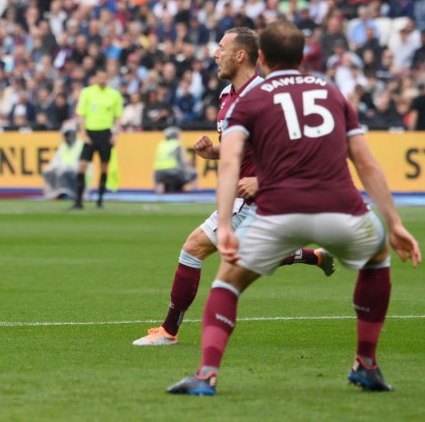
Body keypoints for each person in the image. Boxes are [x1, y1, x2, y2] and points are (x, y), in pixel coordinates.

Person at [167, 21, 421, 396]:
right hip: (343, 209)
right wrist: (395, 222)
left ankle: (206, 375)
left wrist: (224, 223)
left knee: (227, 283)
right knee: (377, 258)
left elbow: (230, 162)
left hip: (277, 211)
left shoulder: (249, 99)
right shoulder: (333, 93)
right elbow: (366, 164)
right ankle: (366, 363)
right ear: (303, 57)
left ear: (262, 58)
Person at [133, 27, 336, 347]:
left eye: (221, 47)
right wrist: (211, 152)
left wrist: (262, 180)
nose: (215, 53)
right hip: (246, 200)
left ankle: (170, 332)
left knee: (194, 247)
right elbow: (236, 150)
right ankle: (313, 256)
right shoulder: (227, 97)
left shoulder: (271, 97)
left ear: (240, 55)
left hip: (267, 197)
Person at [72, 67, 123, 209]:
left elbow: (118, 117)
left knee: (104, 167)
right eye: (100, 77)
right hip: (90, 133)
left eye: (104, 77)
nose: (102, 80)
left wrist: (116, 135)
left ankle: (100, 201)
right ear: (95, 78)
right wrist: (83, 134)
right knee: (82, 165)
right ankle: (78, 201)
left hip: (105, 133)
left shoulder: (114, 95)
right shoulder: (87, 93)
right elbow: (81, 115)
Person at [42, 122, 88, 200]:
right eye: (65, 135)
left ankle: (71, 194)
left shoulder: (81, 146)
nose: (66, 137)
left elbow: (81, 166)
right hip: (66, 173)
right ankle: (57, 193)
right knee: (49, 172)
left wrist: (65, 167)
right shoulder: (63, 147)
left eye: (67, 135)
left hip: (79, 177)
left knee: (64, 172)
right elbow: (55, 161)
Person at [152, 126, 197, 194]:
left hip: (159, 175)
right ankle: (195, 196)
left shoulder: (161, 144)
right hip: (174, 173)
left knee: (158, 177)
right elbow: (184, 162)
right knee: (194, 173)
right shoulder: (177, 144)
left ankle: (157, 196)